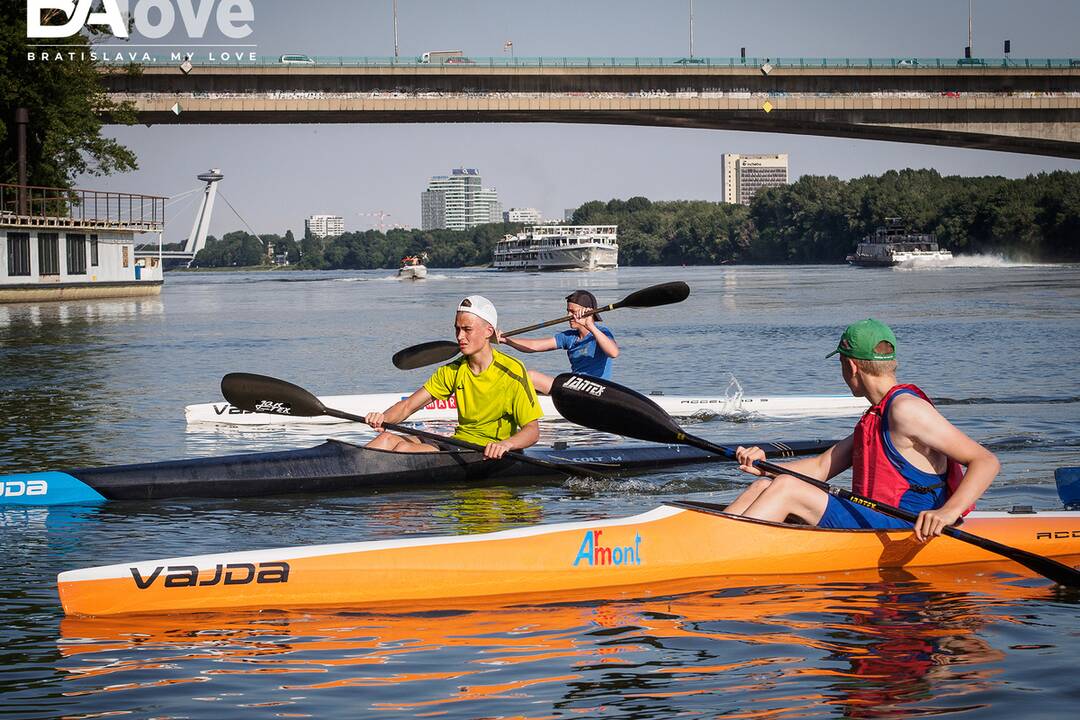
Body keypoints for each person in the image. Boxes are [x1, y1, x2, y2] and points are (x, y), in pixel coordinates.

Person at [725, 318, 999, 541]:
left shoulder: (906, 410)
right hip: (876, 519)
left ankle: (721, 551)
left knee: (786, 488)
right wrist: (765, 467)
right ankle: (705, 540)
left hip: (905, 526)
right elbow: (822, 466)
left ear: (851, 366)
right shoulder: (877, 416)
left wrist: (948, 513)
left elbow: (985, 461)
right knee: (764, 485)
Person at [365, 295, 542, 459]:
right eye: (457, 329)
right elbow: (407, 406)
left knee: (403, 449)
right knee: (386, 438)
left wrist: (506, 444)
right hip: (457, 442)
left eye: (467, 330)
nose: (460, 337)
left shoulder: (512, 371)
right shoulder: (453, 370)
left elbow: (532, 431)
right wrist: (383, 419)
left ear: (488, 331)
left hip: (485, 450)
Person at [498, 289, 619, 394]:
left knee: (531, 376)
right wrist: (506, 340)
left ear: (588, 312)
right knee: (526, 376)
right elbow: (534, 346)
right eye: (567, 310)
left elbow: (613, 353)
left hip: (597, 391)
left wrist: (590, 326)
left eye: (572, 312)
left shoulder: (602, 333)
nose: (568, 315)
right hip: (573, 388)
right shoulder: (568, 337)